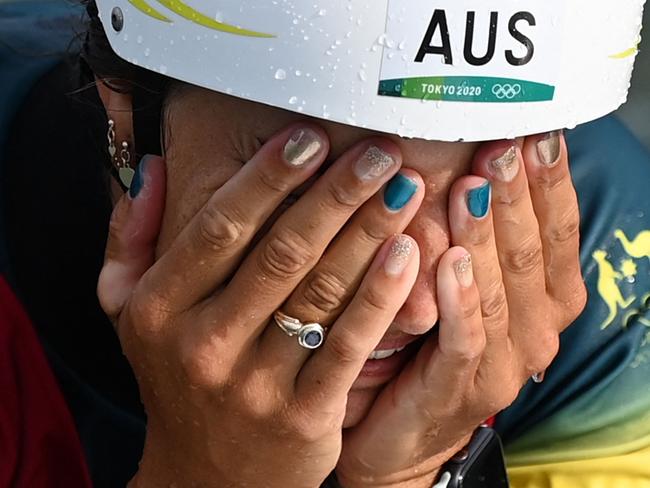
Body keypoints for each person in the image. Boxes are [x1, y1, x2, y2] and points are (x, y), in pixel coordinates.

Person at [1, 1, 649, 487]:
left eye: (473, 199)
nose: (416, 307)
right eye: (308, 195)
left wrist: (420, 473)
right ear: (124, 120)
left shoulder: (608, 253)